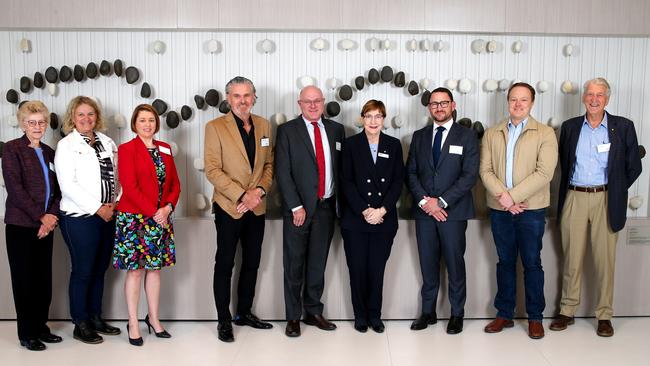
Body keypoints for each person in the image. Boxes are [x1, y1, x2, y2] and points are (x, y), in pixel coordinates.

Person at [550, 78, 642, 337]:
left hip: (606, 199)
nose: (593, 99)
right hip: (574, 197)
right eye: (589, 94)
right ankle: (567, 311)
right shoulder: (569, 128)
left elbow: (634, 166)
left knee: (605, 262)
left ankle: (604, 315)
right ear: (583, 98)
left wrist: (616, 187)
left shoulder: (622, 127)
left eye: (599, 95)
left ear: (607, 99)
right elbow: (563, 165)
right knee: (571, 259)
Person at [479, 82, 558, 339]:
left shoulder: (545, 133)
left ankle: (535, 317)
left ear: (532, 103)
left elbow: (545, 173)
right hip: (501, 210)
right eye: (514, 99)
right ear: (508, 101)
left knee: (532, 263)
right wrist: (505, 199)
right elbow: (485, 170)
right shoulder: (492, 133)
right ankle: (505, 313)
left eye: (524, 100)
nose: (518, 104)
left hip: (531, 210)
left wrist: (512, 197)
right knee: (505, 262)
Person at [204, 76, 274, 343]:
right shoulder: (215, 127)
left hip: (256, 207)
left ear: (254, 97)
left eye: (247, 95)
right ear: (228, 98)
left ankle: (244, 312)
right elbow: (212, 169)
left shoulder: (264, 125)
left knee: (252, 263)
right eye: (237, 96)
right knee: (225, 263)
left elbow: (269, 165)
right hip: (229, 206)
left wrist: (258, 193)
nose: (242, 100)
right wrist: (241, 194)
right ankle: (224, 319)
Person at [406, 87, 479, 335]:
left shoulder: (467, 136)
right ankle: (428, 312)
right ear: (429, 107)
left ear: (453, 105)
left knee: (455, 264)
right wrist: (426, 202)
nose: (439, 107)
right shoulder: (419, 136)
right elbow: (411, 173)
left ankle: (457, 314)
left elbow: (469, 176)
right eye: (434, 104)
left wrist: (442, 202)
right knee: (428, 264)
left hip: (453, 213)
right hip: (425, 213)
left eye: (443, 103)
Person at [275, 85, 345, 337]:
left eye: (317, 101)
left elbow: (342, 170)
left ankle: (313, 311)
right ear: (299, 104)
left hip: (327, 208)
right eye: (308, 101)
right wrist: (296, 205)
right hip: (298, 211)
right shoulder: (287, 131)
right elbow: (282, 172)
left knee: (318, 264)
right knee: (294, 265)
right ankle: (293, 317)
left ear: (323, 102)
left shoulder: (337, 130)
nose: (313, 105)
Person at [112, 104, 181, 346]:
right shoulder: (127, 149)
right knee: (136, 271)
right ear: (134, 123)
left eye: (151, 119)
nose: (147, 124)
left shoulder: (165, 148)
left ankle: (153, 318)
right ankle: (132, 322)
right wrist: (155, 212)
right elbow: (130, 188)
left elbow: (175, 185)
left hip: (161, 218)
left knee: (155, 269)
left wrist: (167, 208)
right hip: (134, 220)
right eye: (142, 120)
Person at [55, 96, 121, 344]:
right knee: (83, 270)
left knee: (100, 269)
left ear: (97, 116)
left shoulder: (107, 141)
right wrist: (97, 208)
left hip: (108, 214)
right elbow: (67, 185)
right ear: (73, 117)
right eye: (81, 114)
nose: (86, 119)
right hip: (80, 217)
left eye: (90, 114)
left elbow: (116, 176)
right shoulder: (66, 145)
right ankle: (80, 322)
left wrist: (115, 202)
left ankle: (95, 317)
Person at [341, 100, 404, 334]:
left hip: (384, 219)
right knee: (357, 269)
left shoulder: (394, 145)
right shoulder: (350, 145)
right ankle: (360, 316)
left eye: (378, 116)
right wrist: (365, 210)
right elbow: (345, 181)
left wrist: (382, 210)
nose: (373, 121)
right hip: (356, 219)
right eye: (369, 116)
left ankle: (375, 315)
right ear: (362, 119)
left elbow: (398, 181)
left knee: (377, 270)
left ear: (384, 119)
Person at [3, 101, 62, 351]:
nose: (37, 126)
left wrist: (51, 217)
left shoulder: (49, 151)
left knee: (42, 280)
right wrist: (41, 216)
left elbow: (59, 191)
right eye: (32, 122)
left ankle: (41, 327)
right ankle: (26, 333)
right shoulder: (12, 149)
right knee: (24, 281)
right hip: (21, 225)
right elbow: (15, 189)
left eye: (41, 122)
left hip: (45, 226)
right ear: (23, 124)